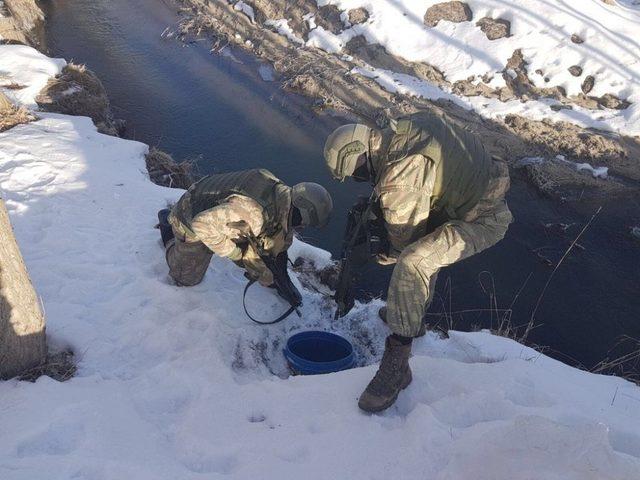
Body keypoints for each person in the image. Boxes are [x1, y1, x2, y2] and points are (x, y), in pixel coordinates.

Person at [324, 111, 513, 412]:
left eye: (359, 172)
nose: (361, 179)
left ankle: (398, 364)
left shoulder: (401, 178)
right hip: (479, 189)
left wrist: (378, 252)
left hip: (485, 217)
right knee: (425, 248)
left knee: (414, 261)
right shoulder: (401, 131)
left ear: (361, 154)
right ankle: (414, 320)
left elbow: (404, 247)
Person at [159, 168, 333, 288]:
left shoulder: (282, 195)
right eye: (303, 223)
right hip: (189, 215)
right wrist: (235, 253)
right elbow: (201, 224)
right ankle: (168, 228)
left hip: (217, 210)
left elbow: (280, 235)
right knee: (186, 279)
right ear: (300, 211)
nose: (301, 227)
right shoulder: (254, 214)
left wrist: (272, 272)